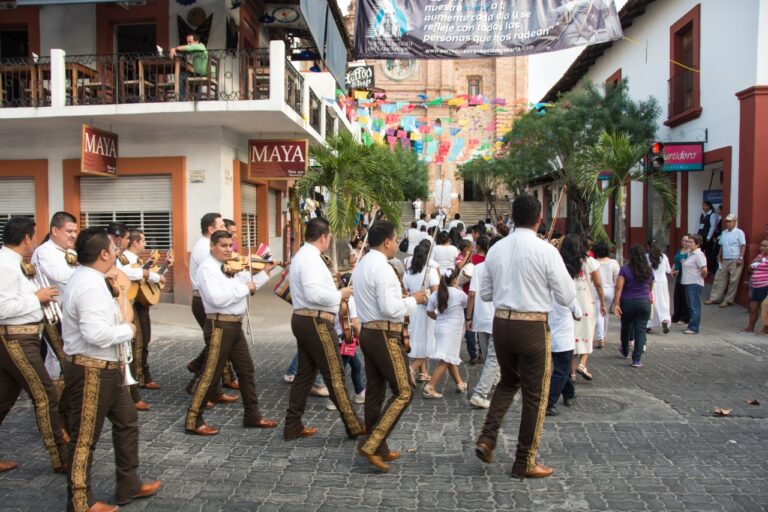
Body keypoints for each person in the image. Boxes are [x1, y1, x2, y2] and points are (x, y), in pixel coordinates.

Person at [475, 193, 576, 479]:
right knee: (535, 395)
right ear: (538, 220)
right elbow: (567, 295)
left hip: (501, 323)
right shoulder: (546, 251)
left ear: (512, 219)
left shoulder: (496, 249)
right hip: (531, 326)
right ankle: (525, 460)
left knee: (508, 382)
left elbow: (485, 293)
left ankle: (487, 436)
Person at [61, 227, 161, 511]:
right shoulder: (89, 285)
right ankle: (80, 502)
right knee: (84, 439)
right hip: (91, 368)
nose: (118, 253)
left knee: (127, 421)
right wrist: (128, 330)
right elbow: (96, 334)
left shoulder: (93, 279)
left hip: (108, 367)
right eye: (113, 249)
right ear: (103, 253)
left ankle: (128, 483)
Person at [185, 230, 279, 435]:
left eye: (231, 245)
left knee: (246, 370)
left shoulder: (230, 267)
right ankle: (193, 419)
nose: (229, 249)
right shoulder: (207, 269)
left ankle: (252, 415)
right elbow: (217, 299)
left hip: (234, 325)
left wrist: (266, 272)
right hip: (219, 325)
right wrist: (245, 287)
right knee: (210, 374)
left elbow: (249, 284)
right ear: (212, 246)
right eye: (223, 245)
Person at [352, 220, 427, 472]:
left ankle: (378, 445)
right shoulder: (382, 268)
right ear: (386, 242)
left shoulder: (364, 264)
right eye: (395, 240)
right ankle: (373, 443)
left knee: (375, 391)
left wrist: (402, 300)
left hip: (370, 331)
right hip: (383, 333)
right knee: (404, 391)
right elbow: (389, 308)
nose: (397, 244)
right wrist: (414, 300)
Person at [284, 218, 365, 441]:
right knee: (335, 372)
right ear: (323, 237)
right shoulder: (308, 258)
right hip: (315, 321)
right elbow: (313, 294)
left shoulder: (306, 256)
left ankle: (293, 425)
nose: (329, 239)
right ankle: (354, 424)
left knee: (305, 375)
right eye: (329, 236)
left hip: (308, 319)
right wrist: (340, 294)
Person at [0, 216, 68, 475]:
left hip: (23, 335)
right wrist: (36, 298)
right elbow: (3, 307)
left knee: (4, 398)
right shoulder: (6, 264)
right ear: (27, 238)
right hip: (15, 336)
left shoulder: (13, 262)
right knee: (44, 395)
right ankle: (60, 456)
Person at [31, 211, 79, 428]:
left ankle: (61, 416)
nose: (73, 235)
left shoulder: (67, 251)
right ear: (55, 231)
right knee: (62, 364)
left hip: (67, 316)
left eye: (75, 231)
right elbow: (62, 275)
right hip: (53, 317)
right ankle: (57, 420)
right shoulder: (45, 252)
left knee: (62, 364)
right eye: (69, 231)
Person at [186, 213, 239, 403]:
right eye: (221, 225)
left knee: (220, 347)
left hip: (208, 301)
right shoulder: (204, 250)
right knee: (216, 347)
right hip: (204, 301)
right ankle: (199, 384)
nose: (225, 228)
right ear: (211, 230)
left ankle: (212, 386)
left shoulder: (211, 247)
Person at [121, 229, 172, 392]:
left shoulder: (139, 259)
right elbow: (132, 275)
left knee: (145, 340)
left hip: (141, 303)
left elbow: (148, 280)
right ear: (135, 243)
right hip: (132, 303)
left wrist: (165, 268)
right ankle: (135, 380)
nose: (145, 244)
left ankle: (143, 375)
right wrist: (152, 275)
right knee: (138, 342)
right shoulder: (123, 259)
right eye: (143, 241)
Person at [108, 222, 150, 412]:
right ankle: (131, 393)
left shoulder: (119, 256)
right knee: (129, 348)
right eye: (126, 238)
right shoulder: (109, 253)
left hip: (123, 303)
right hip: (113, 307)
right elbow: (122, 274)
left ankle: (129, 392)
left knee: (128, 349)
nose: (126, 241)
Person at [565, 235, 606, 382]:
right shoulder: (590, 262)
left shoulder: (565, 261)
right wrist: (602, 302)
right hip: (586, 301)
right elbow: (598, 285)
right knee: (587, 333)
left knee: (572, 336)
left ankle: (572, 374)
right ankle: (582, 364)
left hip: (569, 300)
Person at [423, 269, 468, 398]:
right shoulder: (459, 294)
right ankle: (430, 387)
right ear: (455, 280)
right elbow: (468, 303)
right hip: (453, 330)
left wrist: (438, 318)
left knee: (449, 357)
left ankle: (460, 383)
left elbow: (429, 311)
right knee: (445, 359)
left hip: (440, 327)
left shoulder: (436, 294)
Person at [467, 236, 500, 409]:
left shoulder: (478, 268)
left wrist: (469, 317)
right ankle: (485, 390)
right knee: (494, 358)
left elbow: (472, 294)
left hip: (481, 318)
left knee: (490, 357)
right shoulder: (503, 268)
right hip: (497, 318)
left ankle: (492, 385)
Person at [403, 240, 440, 383]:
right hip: (425, 310)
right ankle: (411, 369)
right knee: (429, 343)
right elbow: (436, 294)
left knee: (419, 341)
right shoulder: (430, 272)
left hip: (412, 309)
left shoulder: (407, 273)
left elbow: (405, 292)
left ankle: (423, 373)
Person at [613, 245, 654, 367]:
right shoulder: (649, 269)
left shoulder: (625, 269)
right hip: (644, 302)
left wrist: (616, 303)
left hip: (628, 302)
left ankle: (625, 350)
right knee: (640, 331)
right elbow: (651, 285)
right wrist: (647, 294)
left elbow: (619, 287)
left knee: (626, 327)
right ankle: (636, 359)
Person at [546, 283, 582, 415]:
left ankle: (569, 393)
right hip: (564, 341)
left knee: (562, 369)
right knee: (561, 372)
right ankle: (549, 403)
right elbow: (578, 314)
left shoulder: (546, 295)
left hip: (549, 338)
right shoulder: (569, 297)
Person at [705, 214, 747, 308]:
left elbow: (743, 245)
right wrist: (719, 255)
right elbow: (722, 245)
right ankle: (714, 298)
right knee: (719, 278)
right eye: (727, 221)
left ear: (735, 222)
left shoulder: (739, 232)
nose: (728, 223)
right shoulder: (724, 232)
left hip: (736, 258)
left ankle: (728, 300)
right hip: (725, 259)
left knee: (733, 280)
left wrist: (741, 257)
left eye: (730, 221)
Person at [593, 241, 619, 348]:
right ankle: (603, 334)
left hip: (596, 290)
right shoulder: (614, 262)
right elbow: (617, 277)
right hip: (610, 290)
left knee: (598, 313)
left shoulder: (593, 262)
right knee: (605, 313)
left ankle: (600, 338)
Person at [681, 234, 708, 334]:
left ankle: (694, 327)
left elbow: (704, 269)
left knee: (694, 305)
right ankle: (691, 325)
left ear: (697, 244)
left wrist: (701, 276)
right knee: (690, 305)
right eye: (688, 242)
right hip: (687, 282)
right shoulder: (689, 253)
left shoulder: (698, 255)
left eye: (691, 242)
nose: (688, 244)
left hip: (694, 282)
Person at [740, 238, 768, 334]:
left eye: (765, 246)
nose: (762, 248)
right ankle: (750, 327)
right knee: (753, 308)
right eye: (761, 245)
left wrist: (760, 263)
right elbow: (749, 268)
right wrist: (754, 261)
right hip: (756, 285)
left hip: (765, 285)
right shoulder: (759, 256)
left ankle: (765, 328)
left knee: (765, 308)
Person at [169, 33, 208, 100]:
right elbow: (184, 50)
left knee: (182, 76)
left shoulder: (200, 46)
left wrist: (174, 49)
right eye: (187, 42)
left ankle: (181, 99)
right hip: (199, 72)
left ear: (196, 42)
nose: (188, 44)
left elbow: (186, 48)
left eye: (190, 42)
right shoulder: (196, 50)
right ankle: (197, 98)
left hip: (202, 73)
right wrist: (174, 50)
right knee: (189, 75)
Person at [646, 240, 672, 334]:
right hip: (663, 283)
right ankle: (664, 319)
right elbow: (668, 270)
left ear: (648, 247)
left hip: (651, 282)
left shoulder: (647, 257)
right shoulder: (664, 256)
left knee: (652, 303)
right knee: (663, 302)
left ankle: (648, 325)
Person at [671, 235, 691, 325]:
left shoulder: (690, 253)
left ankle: (684, 317)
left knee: (684, 298)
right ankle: (676, 315)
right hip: (678, 278)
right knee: (677, 297)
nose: (684, 242)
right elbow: (675, 261)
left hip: (686, 277)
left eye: (686, 241)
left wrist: (679, 271)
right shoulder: (679, 250)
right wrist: (672, 270)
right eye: (682, 240)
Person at [697, 201, 717, 274]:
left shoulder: (712, 215)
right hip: (701, 236)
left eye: (704, 206)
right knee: (700, 251)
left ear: (709, 206)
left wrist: (709, 236)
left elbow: (713, 226)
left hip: (707, 237)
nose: (703, 207)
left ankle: (709, 269)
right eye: (702, 205)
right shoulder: (702, 214)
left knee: (708, 253)